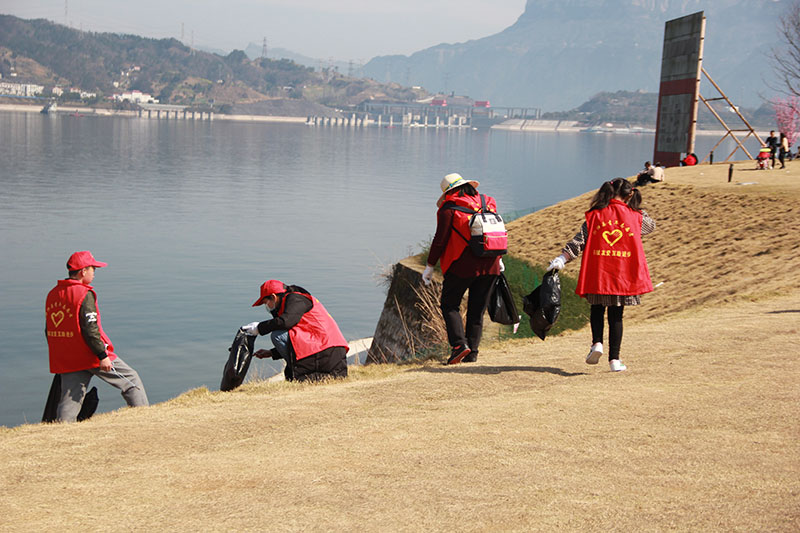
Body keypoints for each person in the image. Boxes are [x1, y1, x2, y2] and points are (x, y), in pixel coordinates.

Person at [548, 178, 656, 372]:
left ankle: (597, 343)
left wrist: (562, 259)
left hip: (599, 272)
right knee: (616, 315)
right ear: (629, 194)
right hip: (622, 275)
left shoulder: (595, 215)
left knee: (597, 309)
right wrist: (635, 206)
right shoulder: (635, 216)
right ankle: (615, 360)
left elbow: (578, 242)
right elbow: (650, 226)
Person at [45, 251, 148, 422]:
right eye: (93, 269)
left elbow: (48, 330)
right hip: (91, 354)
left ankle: (61, 433)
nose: (94, 273)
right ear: (83, 271)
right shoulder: (84, 294)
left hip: (67, 358)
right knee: (131, 380)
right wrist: (102, 355)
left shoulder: (53, 294)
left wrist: (61, 353)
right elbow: (90, 328)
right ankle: (146, 418)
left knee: (69, 401)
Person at [422, 173, 502, 365]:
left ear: (449, 192)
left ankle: (459, 346)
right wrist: (499, 259)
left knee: (450, 305)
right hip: (491, 263)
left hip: (461, 264)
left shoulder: (448, 209)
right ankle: (472, 352)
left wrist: (430, 266)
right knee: (477, 309)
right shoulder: (488, 202)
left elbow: (440, 241)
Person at [240, 280, 348, 382]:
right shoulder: (294, 300)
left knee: (277, 335)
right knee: (282, 334)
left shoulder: (296, 299)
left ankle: (298, 370)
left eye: (266, 302)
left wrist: (259, 328)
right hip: (328, 351)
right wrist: (271, 353)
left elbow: (286, 322)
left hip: (328, 352)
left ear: (273, 297)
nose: (266, 306)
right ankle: (298, 372)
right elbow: (302, 340)